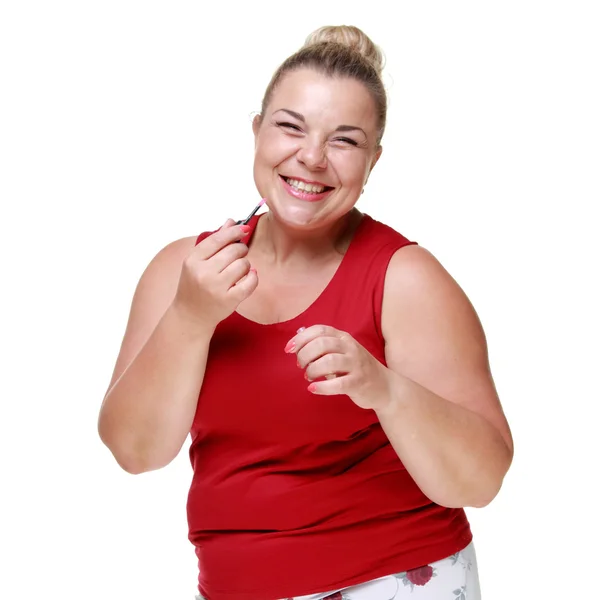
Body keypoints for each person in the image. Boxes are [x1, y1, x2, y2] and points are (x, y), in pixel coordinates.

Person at [98, 25, 513, 600]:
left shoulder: (406, 279)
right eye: (290, 127)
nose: (311, 158)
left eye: (344, 140)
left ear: (373, 162)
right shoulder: (184, 271)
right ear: (256, 132)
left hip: (397, 580)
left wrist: (384, 389)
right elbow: (134, 452)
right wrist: (190, 319)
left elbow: (482, 478)